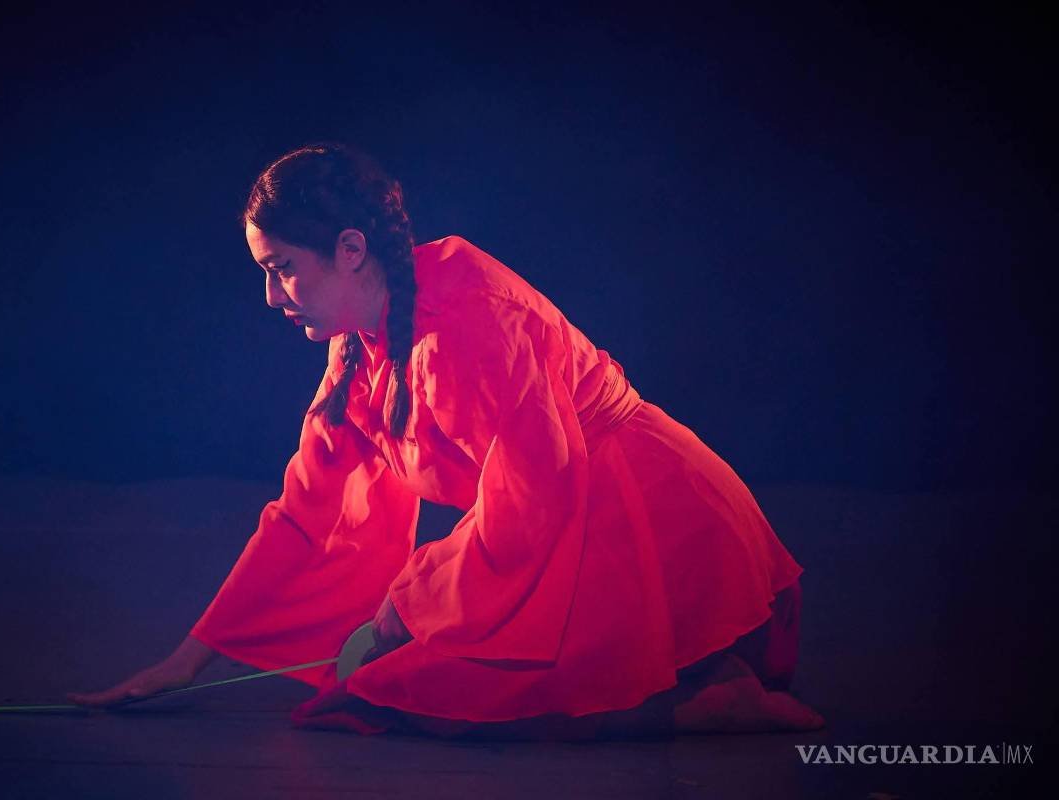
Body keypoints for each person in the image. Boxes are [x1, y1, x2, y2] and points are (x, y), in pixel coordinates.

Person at [68, 143, 824, 738]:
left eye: (284, 270)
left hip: (644, 521)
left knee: (445, 696)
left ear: (351, 249)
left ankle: (709, 696)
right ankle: (701, 685)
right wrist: (185, 662)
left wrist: (406, 604)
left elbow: (535, 498)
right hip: (567, 526)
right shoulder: (360, 348)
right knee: (381, 688)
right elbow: (310, 513)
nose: (271, 296)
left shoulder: (468, 315)